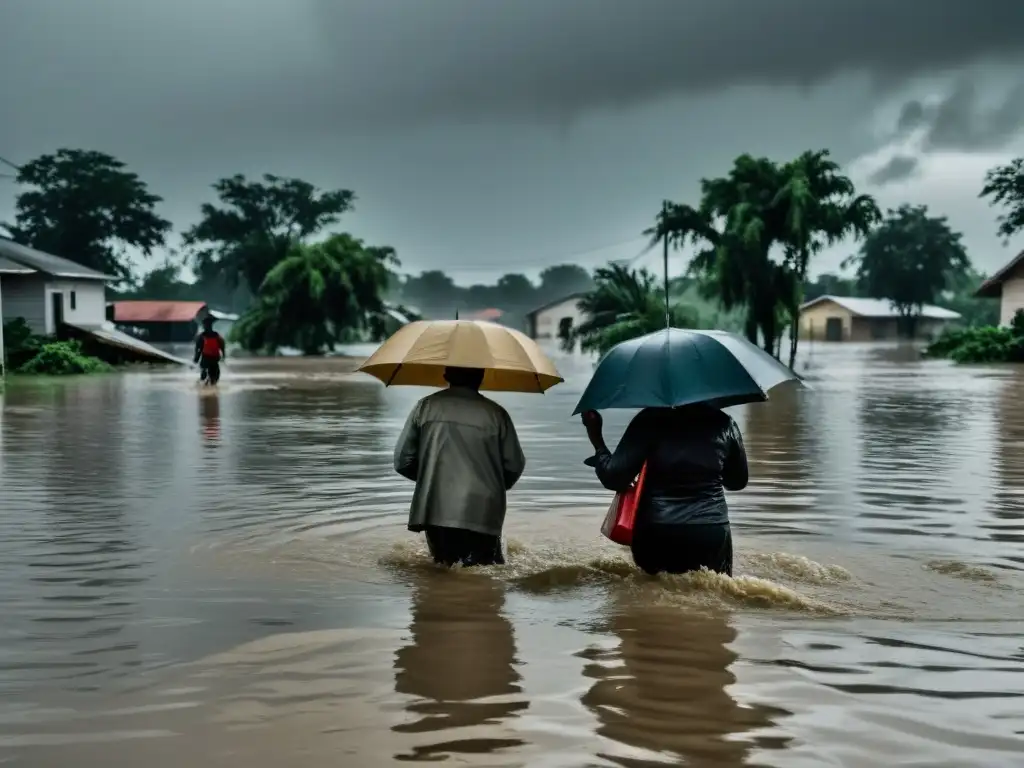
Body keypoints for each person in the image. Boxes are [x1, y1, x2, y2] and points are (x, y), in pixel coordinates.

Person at [581, 404, 748, 576]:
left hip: (658, 530)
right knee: (713, 595)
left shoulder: (649, 419)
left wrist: (596, 438)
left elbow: (614, 477)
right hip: (711, 529)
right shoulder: (725, 423)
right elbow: (737, 482)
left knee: (653, 595)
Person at [394, 366, 526, 567]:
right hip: (483, 510)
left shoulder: (425, 407)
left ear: (445, 374)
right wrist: (493, 488)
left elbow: (403, 462)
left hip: (436, 507)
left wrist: (432, 479)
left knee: (443, 573)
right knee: (486, 575)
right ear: (481, 376)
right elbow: (514, 465)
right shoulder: (496, 414)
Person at [194, 315, 226, 386]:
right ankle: (206, 389)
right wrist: (196, 358)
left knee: (214, 377)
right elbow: (198, 349)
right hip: (207, 358)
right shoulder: (203, 336)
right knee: (206, 376)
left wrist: (223, 355)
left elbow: (222, 346)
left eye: (208, 324)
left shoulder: (215, 336)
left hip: (213, 359)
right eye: (206, 324)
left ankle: (208, 389)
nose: (207, 326)